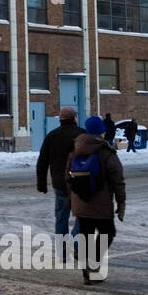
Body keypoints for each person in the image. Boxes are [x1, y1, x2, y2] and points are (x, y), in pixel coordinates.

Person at [66, 116, 126, 284]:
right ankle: (92, 264)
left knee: (86, 234)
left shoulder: (75, 149)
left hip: (81, 202)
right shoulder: (106, 152)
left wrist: (72, 197)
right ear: (101, 132)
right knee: (108, 232)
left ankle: (87, 269)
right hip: (101, 203)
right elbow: (118, 178)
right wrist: (121, 201)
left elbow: (68, 176)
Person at [36, 106, 83, 241]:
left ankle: (62, 252)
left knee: (61, 217)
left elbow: (42, 161)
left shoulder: (52, 136)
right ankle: (75, 243)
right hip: (79, 182)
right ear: (74, 118)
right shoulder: (82, 135)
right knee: (81, 216)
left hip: (60, 182)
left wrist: (42, 183)